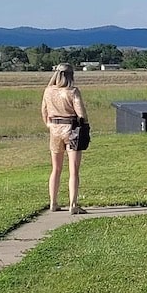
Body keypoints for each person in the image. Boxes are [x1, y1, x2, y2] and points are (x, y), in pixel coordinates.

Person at [41, 63, 89, 214]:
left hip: (55, 130)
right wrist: (85, 126)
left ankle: (53, 202)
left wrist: (49, 124)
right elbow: (81, 113)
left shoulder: (48, 91)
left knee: (56, 169)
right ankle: (73, 204)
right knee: (73, 170)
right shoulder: (72, 91)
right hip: (72, 129)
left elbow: (44, 110)